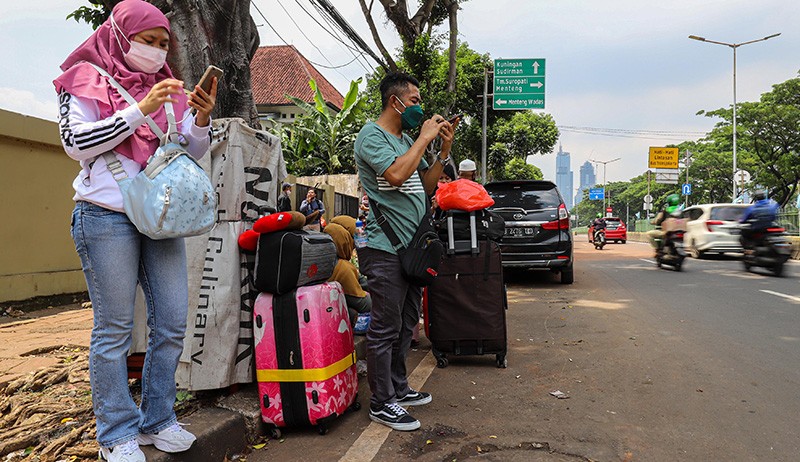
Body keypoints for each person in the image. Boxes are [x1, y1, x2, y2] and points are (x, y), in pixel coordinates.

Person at [53, 1, 216, 460]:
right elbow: (75, 143)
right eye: (149, 41)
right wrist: (140, 108)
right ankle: (116, 432)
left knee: (171, 321)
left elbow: (184, 150)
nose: (157, 51)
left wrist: (200, 119)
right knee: (115, 329)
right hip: (104, 216)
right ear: (122, 36)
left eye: (164, 44)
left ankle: (158, 419)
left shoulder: (169, 89)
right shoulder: (83, 77)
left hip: (160, 219)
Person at [354, 72, 456, 431]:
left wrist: (441, 151)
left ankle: (398, 387)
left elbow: (425, 186)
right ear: (394, 101)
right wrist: (424, 137)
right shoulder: (372, 136)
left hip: (411, 247)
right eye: (414, 100)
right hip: (384, 247)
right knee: (385, 326)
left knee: (406, 322)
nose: (420, 107)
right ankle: (382, 403)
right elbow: (396, 176)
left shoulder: (406, 141)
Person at [324, 221, 372, 326]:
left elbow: (361, 282)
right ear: (345, 240)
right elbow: (364, 305)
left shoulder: (325, 259)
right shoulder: (343, 267)